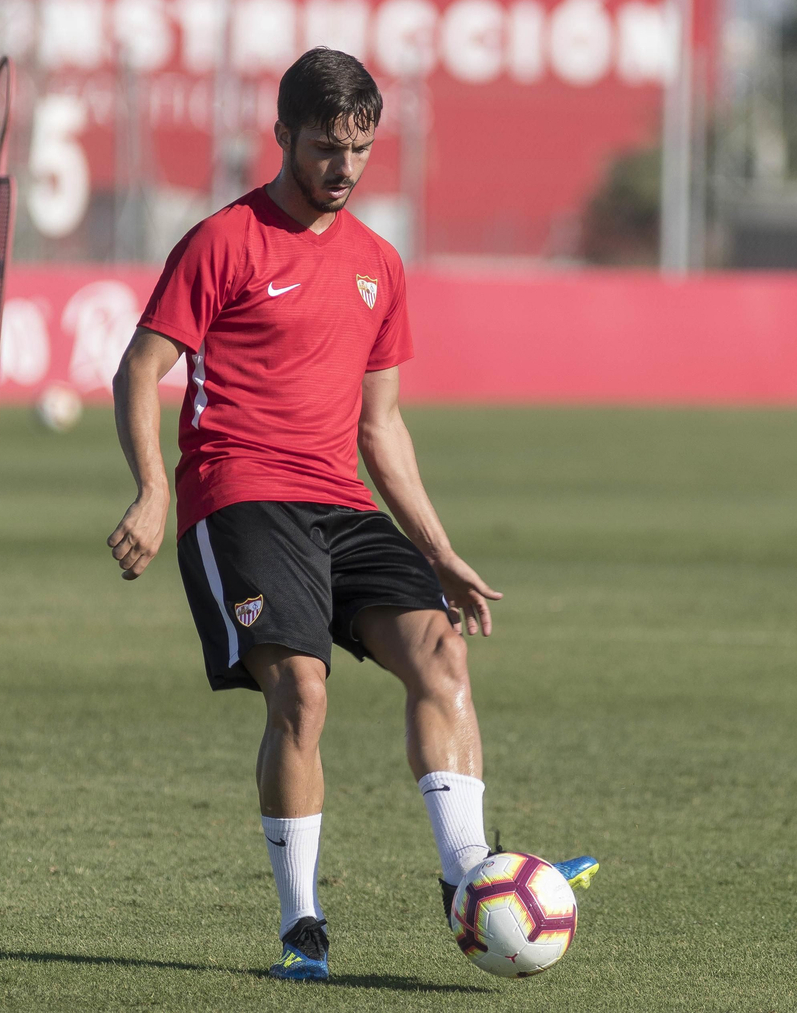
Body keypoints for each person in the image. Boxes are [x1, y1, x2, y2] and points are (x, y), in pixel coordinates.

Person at [107, 48, 596, 981]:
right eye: (327, 147)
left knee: (442, 652)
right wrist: (154, 488)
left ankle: (467, 882)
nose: (344, 167)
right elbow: (139, 369)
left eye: (361, 149)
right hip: (239, 494)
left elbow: (382, 424)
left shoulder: (379, 263)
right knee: (304, 691)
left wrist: (440, 549)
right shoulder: (223, 242)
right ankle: (303, 928)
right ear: (283, 135)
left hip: (339, 498)